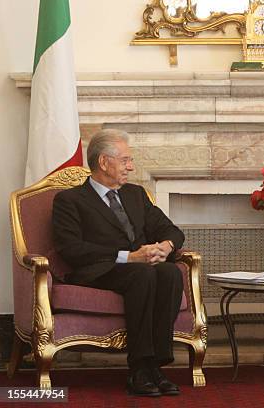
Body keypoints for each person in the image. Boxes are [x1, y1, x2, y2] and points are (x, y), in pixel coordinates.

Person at [52, 129, 185, 397]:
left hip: (137, 269)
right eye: (125, 160)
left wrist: (164, 247)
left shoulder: (135, 195)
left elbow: (172, 231)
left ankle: (155, 365)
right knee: (142, 274)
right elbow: (71, 249)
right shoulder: (70, 200)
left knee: (169, 272)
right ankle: (138, 369)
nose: (131, 166)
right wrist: (128, 256)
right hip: (98, 270)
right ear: (103, 162)